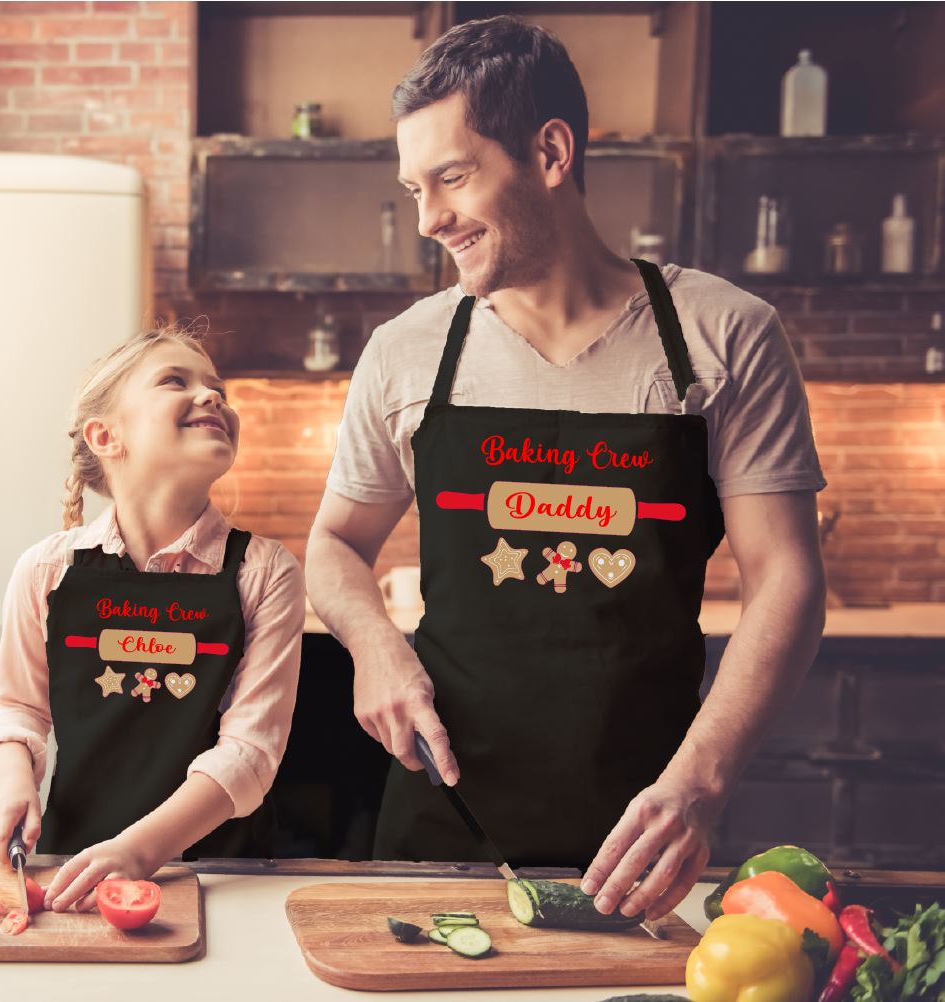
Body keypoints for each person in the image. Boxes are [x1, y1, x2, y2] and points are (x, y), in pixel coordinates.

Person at [305, 16, 827, 923]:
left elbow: (785, 575)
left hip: (649, 826)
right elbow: (333, 545)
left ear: (549, 151)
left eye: (453, 178)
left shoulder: (723, 332)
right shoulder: (405, 352)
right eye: (413, 188)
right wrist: (376, 651)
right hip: (444, 815)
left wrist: (699, 783)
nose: (429, 219)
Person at [0, 326, 305, 912]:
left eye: (218, 389)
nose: (212, 398)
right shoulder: (47, 570)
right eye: (175, 381)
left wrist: (137, 850)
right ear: (107, 436)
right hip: (72, 867)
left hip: (221, 876)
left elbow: (250, 752)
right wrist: (10, 775)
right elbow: (19, 708)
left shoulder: (266, 572)